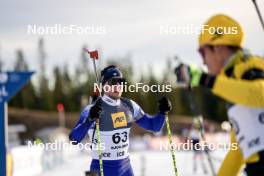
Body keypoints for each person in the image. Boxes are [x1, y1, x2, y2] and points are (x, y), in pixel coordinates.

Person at [175, 14, 264, 176]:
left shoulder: (249, 65)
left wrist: (204, 79)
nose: (203, 62)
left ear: (219, 47)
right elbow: (237, 152)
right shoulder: (233, 82)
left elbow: (260, 94)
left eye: (203, 53)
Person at [69, 65, 172, 176]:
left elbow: (154, 126)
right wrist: (89, 120)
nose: (118, 86)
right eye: (114, 82)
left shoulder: (129, 106)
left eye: (121, 82)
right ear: (104, 86)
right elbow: (74, 139)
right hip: (101, 169)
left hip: (125, 168)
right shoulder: (92, 109)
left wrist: (162, 113)